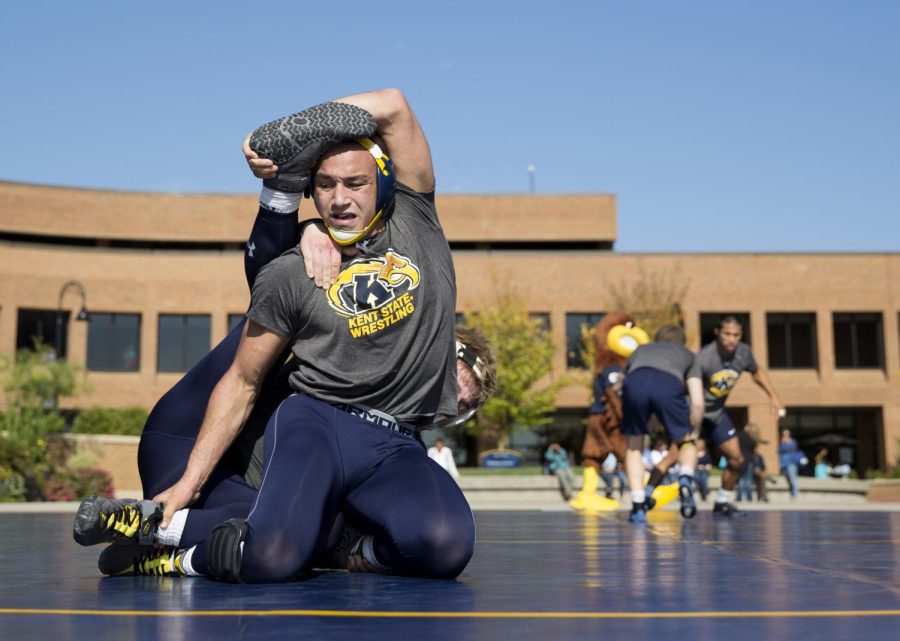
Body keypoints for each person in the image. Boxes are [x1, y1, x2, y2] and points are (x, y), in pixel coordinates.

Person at [78, 89, 494, 582]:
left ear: (383, 184)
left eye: (356, 183)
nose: (340, 199)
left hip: (392, 440)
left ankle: (342, 551)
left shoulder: (417, 223)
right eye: (325, 185)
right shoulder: (292, 272)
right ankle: (167, 552)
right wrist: (189, 483)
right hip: (316, 422)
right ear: (310, 192)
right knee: (274, 555)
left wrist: (294, 133)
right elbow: (243, 380)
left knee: (444, 546)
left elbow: (395, 109)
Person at [696, 315, 785, 516]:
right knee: (677, 457)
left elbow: (756, 372)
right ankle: (644, 496)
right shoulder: (705, 357)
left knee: (738, 459)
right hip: (695, 413)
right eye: (727, 334)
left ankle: (722, 502)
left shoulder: (743, 353)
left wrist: (774, 396)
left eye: (736, 335)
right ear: (718, 333)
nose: (731, 339)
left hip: (717, 414)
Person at [621, 324, 704, 523]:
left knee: (634, 444)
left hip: (635, 382)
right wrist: (696, 430)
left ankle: (638, 503)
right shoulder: (688, 355)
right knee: (686, 441)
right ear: (681, 341)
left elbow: (623, 383)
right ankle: (685, 476)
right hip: (668, 382)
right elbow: (698, 401)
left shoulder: (640, 350)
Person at [570, 313, 648, 513]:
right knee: (629, 453)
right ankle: (647, 488)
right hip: (610, 418)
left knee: (593, 455)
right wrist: (625, 417)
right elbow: (614, 395)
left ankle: (587, 492)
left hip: (598, 414)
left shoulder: (608, 367)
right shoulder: (613, 369)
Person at [779, 428, 802, 498]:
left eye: (787, 433)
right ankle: (792, 493)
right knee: (788, 479)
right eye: (784, 433)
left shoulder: (793, 442)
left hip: (791, 463)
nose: (785, 435)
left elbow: (793, 449)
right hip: (784, 463)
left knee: (793, 478)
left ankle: (795, 494)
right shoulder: (782, 442)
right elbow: (779, 451)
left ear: (789, 434)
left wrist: (786, 443)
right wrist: (782, 443)